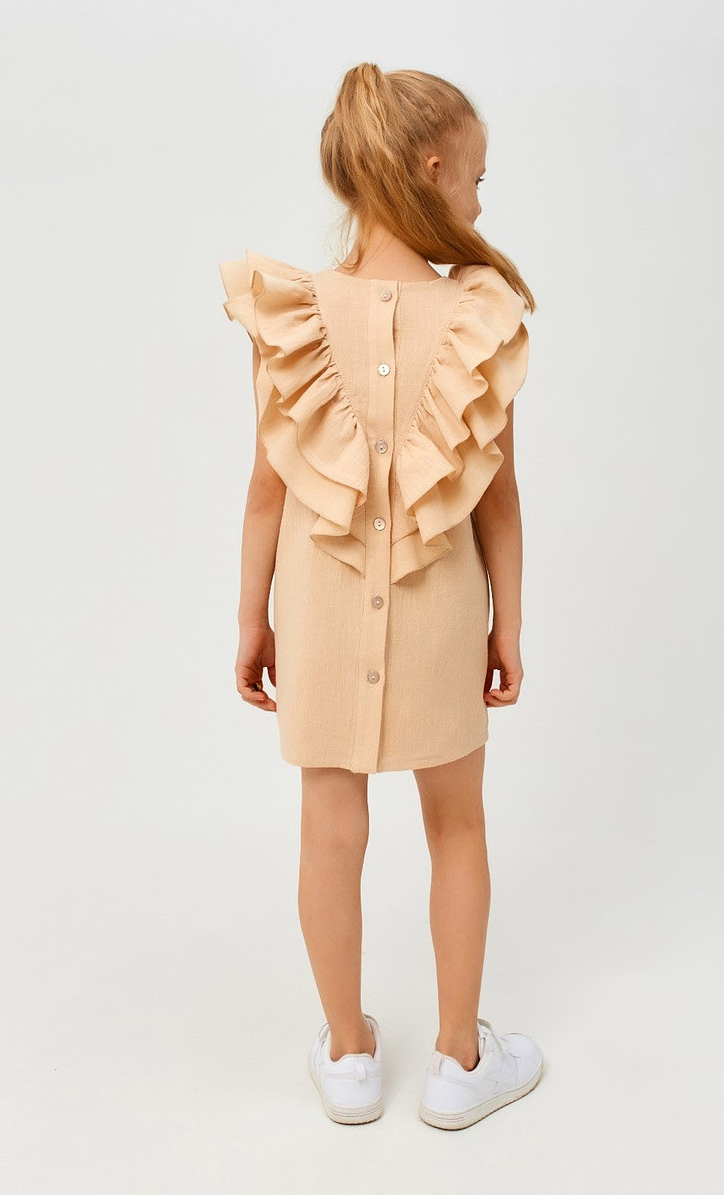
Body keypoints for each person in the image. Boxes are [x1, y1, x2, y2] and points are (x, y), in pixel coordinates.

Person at [219, 63, 543, 1130]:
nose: (481, 202)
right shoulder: (478, 315)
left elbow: (266, 489)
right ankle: (459, 1062)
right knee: (458, 826)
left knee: (328, 829)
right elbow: (499, 500)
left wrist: (253, 618)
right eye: (479, 178)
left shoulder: (295, 313)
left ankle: (349, 1056)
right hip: (444, 608)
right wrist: (508, 624)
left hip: (316, 613)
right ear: (433, 169)